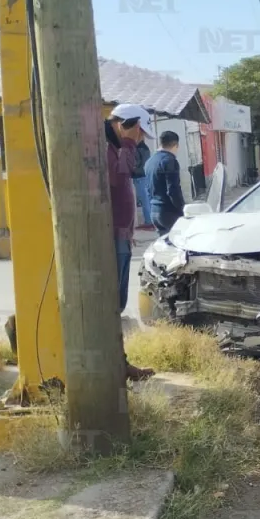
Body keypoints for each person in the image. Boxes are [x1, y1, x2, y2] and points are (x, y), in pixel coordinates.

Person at [107, 103, 156, 383]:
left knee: (119, 301)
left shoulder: (115, 146)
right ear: (129, 125)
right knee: (113, 302)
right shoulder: (110, 146)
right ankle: (116, 365)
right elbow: (119, 175)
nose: (140, 139)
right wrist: (126, 140)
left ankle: (119, 363)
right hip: (113, 237)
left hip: (122, 235)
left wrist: (128, 227)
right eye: (139, 132)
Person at [146, 130, 186, 235]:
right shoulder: (169, 160)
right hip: (168, 212)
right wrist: (183, 209)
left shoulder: (150, 161)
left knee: (164, 247)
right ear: (176, 145)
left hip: (154, 212)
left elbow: (148, 189)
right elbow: (173, 189)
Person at [132, 136, 154, 231]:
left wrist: (133, 170)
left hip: (140, 177)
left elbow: (141, 165)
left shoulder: (141, 148)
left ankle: (149, 222)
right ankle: (150, 221)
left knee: (145, 200)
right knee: (146, 199)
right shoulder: (143, 148)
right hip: (141, 177)